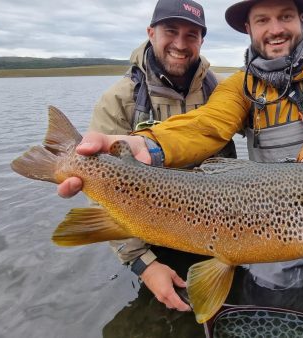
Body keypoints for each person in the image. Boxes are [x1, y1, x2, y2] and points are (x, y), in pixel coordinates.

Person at [60, 0, 303, 310]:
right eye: (263, 20)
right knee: (269, 304)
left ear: (302, 19)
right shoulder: (240, 86)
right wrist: (151, 145)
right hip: (268, 226)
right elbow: (206, 126)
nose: (275, 29)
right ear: (249, 29)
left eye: (285, 17)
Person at [85, 0, 235, 313]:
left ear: (202, 41)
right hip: (151, 238)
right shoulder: (119, 100)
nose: (180, 44)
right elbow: (100, 191)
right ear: (151, 33)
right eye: (171, 31)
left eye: (191, 35)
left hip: (227, 233)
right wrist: (144, 265)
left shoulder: (221, 91)